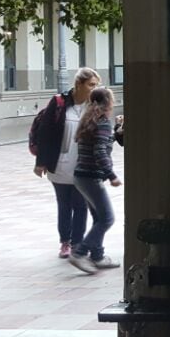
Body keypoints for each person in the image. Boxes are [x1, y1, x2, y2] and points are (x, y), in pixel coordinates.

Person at [32, 67, 99, 259]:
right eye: (91, 84)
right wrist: (41, 162)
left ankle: (78, 243)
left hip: (83, 165)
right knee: (64, 204)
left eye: (96, 85)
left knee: (80, 205)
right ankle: (65, 242)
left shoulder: (94, 105)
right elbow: (45, 133)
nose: (94, 88)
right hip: (60, 164)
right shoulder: (59, 103)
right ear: (79, 84)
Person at [67, 86, 123, 274]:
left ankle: (97, 256)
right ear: (109, 103)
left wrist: (116, 132)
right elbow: (99, 151)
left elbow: (100, 143)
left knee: (98, 217)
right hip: (91, 177)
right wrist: (112, 175)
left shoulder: (89, 119)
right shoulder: (102, 122)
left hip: (81, 176)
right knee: (107, 218)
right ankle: (79, 253)